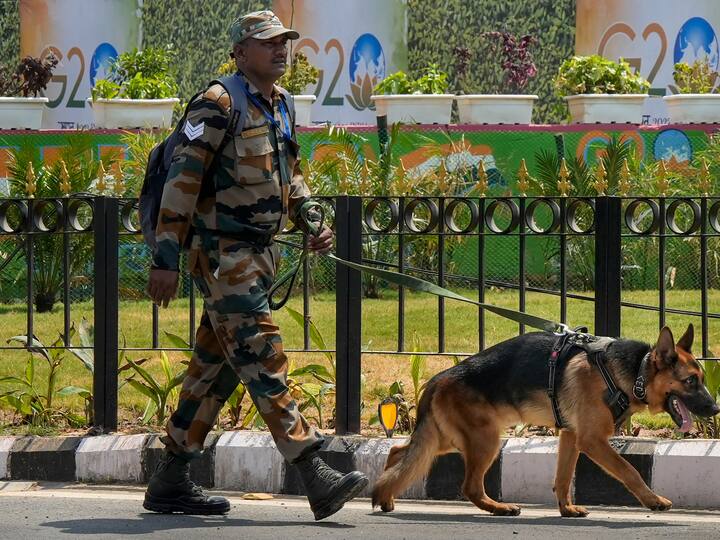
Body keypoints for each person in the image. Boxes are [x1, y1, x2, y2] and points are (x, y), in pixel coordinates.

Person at [143, 10, 368, 520]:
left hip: (261, 254)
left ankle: (171, 479)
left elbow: (292, 177)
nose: (280, 50)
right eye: (268, 43)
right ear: (240, 53)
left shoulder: (282, 104)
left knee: (215, 369)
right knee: (262, 354)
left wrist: (311, 218)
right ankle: (313, 469)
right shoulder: (218, 103)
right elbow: (182, 182)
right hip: (222, 255)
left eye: (285, 41)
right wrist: (166, 258)